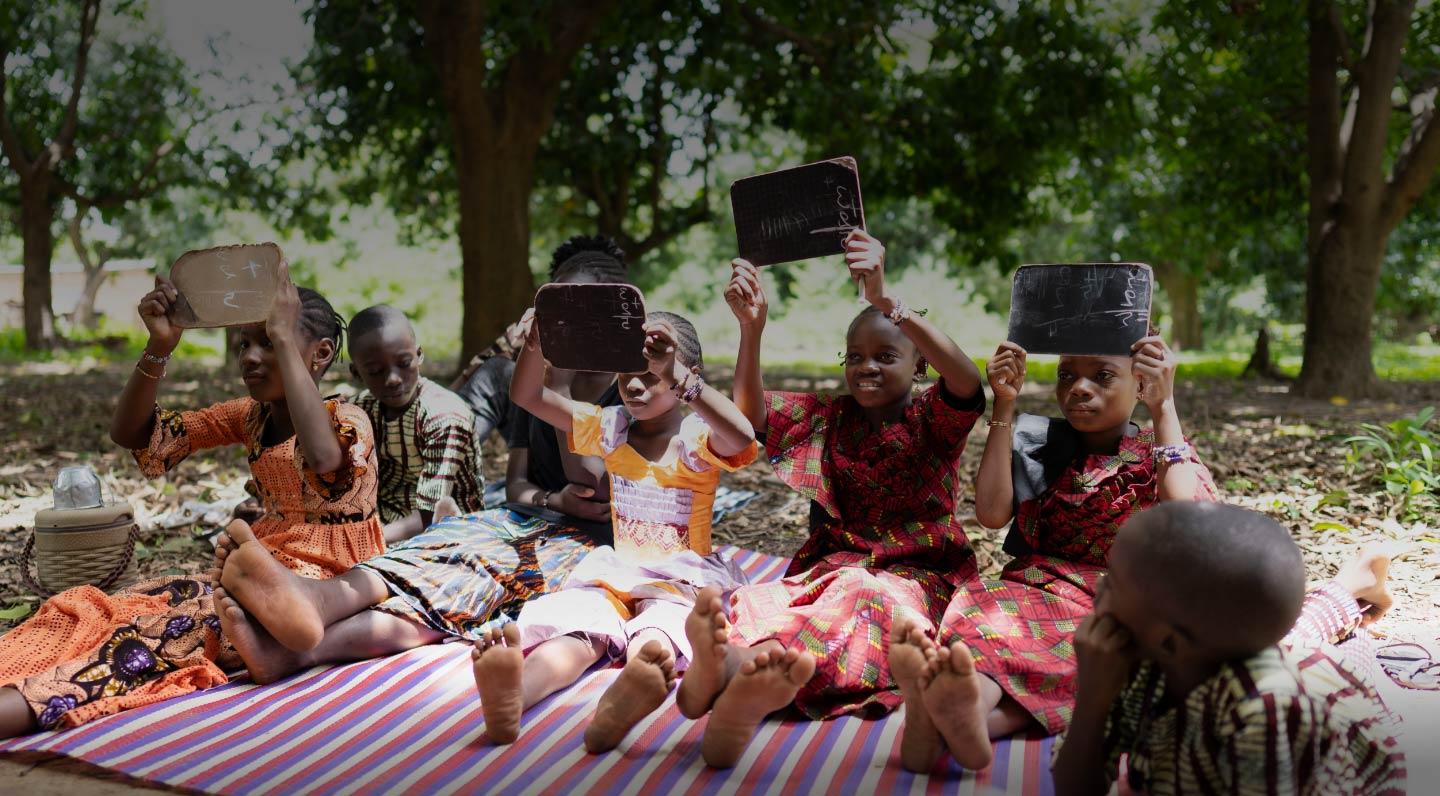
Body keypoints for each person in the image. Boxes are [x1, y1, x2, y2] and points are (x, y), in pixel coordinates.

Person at [208, 238, 638, 681]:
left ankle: (296, 653)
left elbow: (591, 483)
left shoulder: (636, 393)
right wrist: (550, 497)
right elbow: (518, 485)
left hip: (586, 544)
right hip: (522, 517)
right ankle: (318, 599)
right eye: (557, 311)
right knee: (431, 548)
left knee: (461, 586)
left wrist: (560, 389)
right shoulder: (541, 389)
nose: (566, 325)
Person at [0, 266, 383, 737]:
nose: (250, 357)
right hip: (257, 564)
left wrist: (285, 336)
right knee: (115, 607)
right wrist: (160, 346)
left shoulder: (348, 419)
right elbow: (138, 434)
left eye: (271, 341)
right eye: (245, 344)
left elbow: (324, 458)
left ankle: (19, 707)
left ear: (321, 354)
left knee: (157, 639)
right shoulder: (250, 417)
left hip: (318, 584)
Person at [677, 229, 987, 768]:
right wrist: (752, 330)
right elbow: (749, 421)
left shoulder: (933, 421)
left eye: (885, 355)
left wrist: (887, 302)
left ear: (919, 367)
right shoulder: (830, 416)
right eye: (855, 356)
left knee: (867, 609)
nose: (866, 366)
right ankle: (728, 670)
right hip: (834, 564)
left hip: (918, 573)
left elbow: (968, 382)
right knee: (776, 600)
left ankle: (752, 682)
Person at [890, 334, 1220, 771]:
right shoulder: (1039, 442)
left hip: (1112, 604)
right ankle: (959, 712)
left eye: (1102, 377)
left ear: (1141, 384)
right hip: (1026, 588)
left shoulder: (1160, 455)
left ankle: (946, 727)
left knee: (1083, 660)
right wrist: (1004, 404)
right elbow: (990, 513)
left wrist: (1165, 407)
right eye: (1067, 375)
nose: (1079, 389)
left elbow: (1189, 520)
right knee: (984, 622)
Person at [473, 309, 757, 754]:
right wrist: (534, 344)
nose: (635, 386)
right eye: (627, 374)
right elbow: (528, 395)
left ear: (685, 375)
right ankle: (516, 692)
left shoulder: (699, 438)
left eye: (650, 374)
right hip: (616, 571)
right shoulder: (612, 427)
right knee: (578, 631)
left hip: (679, 580)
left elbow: (743, 437)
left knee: (658, 636)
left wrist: (677, 373)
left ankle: (621, 702)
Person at [1052, 502, 1406, 794]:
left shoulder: (1265, 709)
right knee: (1294, 639)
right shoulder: (1143, 657)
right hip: (1265, 659)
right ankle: (1354, 585)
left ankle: (1353, 592)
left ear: (1169, 641)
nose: (1098, 586)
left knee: (1315, 658)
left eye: (1112, 583)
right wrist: (1092, 701)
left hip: (1340, 730)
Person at [348, 304, 484, 542]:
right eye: (376, 371)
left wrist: (366, 541)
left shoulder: (444, 416)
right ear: (357, 373)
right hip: (385, 523)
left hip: (449, 529)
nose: (392, 379)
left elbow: (432, 513)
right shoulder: (361, 410)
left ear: (419, 354)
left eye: (404, 363)